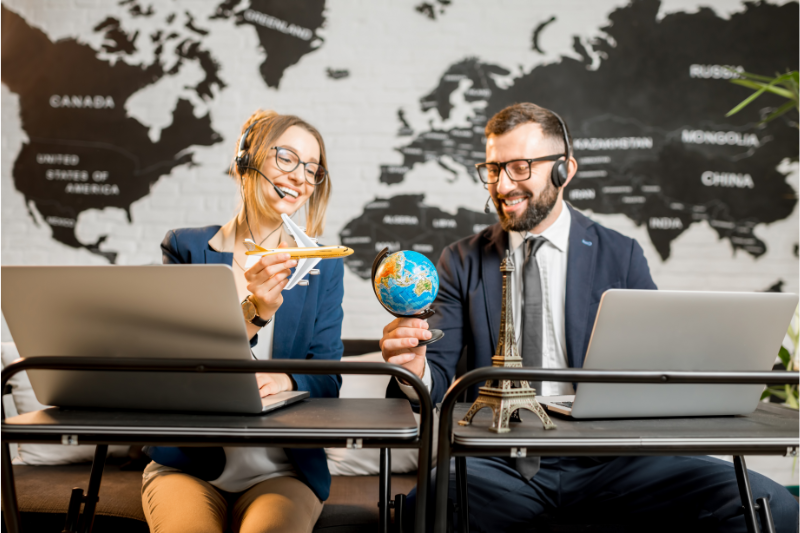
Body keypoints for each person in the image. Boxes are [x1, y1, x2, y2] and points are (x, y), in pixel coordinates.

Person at [381, 103, 799, 531]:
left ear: (565, 169)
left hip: (615, 462)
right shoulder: (462, 260)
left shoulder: (621, 254)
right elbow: (432, 377)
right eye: (493, 168)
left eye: (520, 167)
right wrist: (414, 369)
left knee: (773, 508)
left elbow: (657, 374)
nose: (503, 185)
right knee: (424, 510)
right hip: (501, 466)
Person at [141, 110, 344, 533]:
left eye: (312, 168)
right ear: (245, 159)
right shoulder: (186, 248)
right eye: (286, 157)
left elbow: (328, 377)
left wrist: (287, 380)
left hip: (283, 470)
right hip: (189, 464)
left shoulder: (322, 267)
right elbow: (174, 367)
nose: (300, 176)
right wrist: (253, 315)